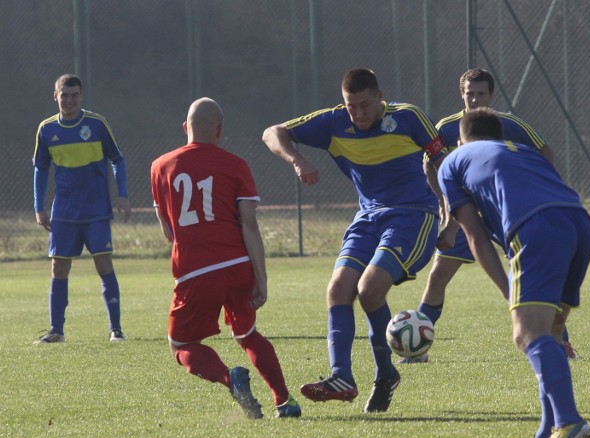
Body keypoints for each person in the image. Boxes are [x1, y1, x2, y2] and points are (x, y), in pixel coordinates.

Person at [262, 68, 446, 413]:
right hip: (368, 218)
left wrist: (452, 219)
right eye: (351, 107)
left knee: (370, 288)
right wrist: (297, 159)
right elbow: (273, 133)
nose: (358, 114)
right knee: (337, 290)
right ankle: (342, 376)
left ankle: (382, 374)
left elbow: (445, 163)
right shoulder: (333, 123)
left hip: (413, 216)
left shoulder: (408, 118)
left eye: (364, 105)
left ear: (380, 97)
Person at [437, 107, 590, 438]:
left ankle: (569, 421)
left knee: (527, 334)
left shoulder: (453, 160)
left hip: (535, 226)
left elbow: (475, 236)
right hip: (579, 221)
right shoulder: (520, 150)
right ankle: (546, 433)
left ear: (461, 139)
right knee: (551, 333)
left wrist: (509, 292)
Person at [408, 67, 576, 364]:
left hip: (504, 211)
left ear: (491, 95)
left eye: (480, 94)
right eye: (469, 94)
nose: (474, 99)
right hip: (464, 213)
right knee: (437, 277)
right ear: (461, 95)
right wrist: (447, 212)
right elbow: (429, 167)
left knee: (530, 275)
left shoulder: (508, 124)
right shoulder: (446, 128)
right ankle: (416, 346)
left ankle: (560, 341)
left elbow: (545, 152)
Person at [150, 97, 301, 419]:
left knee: (181, 345)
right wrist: (261, 278)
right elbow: (249, 224)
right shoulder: (235, 165)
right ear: (219, 131)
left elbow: (168, 230)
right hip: (236, 265)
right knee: (247, 333)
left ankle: (228, 377)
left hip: (194, 269)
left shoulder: (160, 167)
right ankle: (284, 401)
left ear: (185, 128)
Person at [33, 74, 130, 344]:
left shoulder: (97, 125)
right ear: (56, 97)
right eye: (64, 95)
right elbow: (40, 169)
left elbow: (117, 160)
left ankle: (116, 329)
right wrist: (39, 207)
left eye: (74, 95)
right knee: (59, 268)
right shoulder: (46, 129)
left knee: (103, 263)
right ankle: (56, 331)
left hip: (96, 209)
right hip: (63, 211)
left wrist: (122, 195)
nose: (70, 100)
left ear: (82, 96)